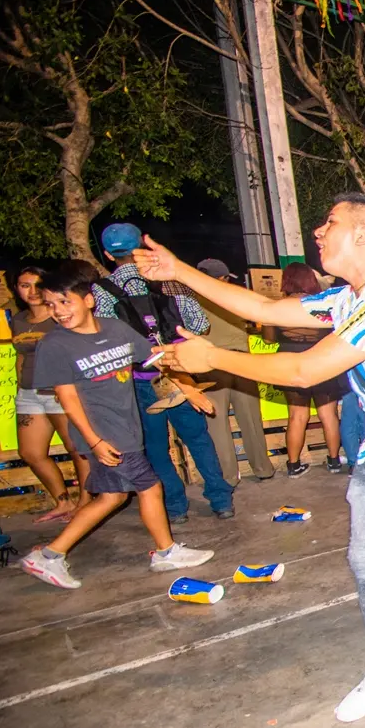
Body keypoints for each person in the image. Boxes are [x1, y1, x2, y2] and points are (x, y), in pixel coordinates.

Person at [135, 193, 365, 723]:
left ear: (362, 235)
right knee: (364, 558)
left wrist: (213, 358)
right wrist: (179, 272)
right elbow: (265, 308)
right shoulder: (346, 299)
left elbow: (305, 372)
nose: (317, 230)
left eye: (329, 222)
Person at [20, 264, 215, 589]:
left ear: (88, 300)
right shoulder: (55, 345)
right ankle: (165, 552)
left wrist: (188, 384)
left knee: (111, 498)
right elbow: (67, 398)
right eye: (52, 305)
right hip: (103, 435)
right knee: (149, 487)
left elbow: (153, 358)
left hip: (126, 428)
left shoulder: (115, 329)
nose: (58, 312)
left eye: (65, 302)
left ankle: (50, 556)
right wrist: (95, 440)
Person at [91, 223, 233, 522]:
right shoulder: (168, 281)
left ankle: (175, 507)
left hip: (138, 379)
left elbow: (106, 340)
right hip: (178, 371)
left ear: (106, 254)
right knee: (198, 439)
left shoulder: (101, 292)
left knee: (156, 446)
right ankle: (221, 500)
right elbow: (197, 324)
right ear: (142, 246)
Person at [6, 266, 90, 522]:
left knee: (76, 448)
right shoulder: (19, 319)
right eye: (24, 285)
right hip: (29, 392)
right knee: (30, 452)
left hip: (58, 390)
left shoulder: (59, 316)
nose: (31, 291)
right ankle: (63, 501)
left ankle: (86, 502)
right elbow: (21, 355)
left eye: (36, 284)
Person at [193, 258, 275, 486]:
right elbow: (260, 318)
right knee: (251, 419)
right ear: (221, 279)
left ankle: (228, 477)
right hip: (241, 361)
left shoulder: (191, 299)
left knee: (217, 423)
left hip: (210, 363)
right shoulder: (234, 295)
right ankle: (263, 468)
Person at [262, 263, 346, 477]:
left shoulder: (277, 306)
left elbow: (268, 338)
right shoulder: (321, 305)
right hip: (320, 360)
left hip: (290, 361)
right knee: (328, 415)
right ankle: (334, 461)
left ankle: (293, 465)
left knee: (297, 416)